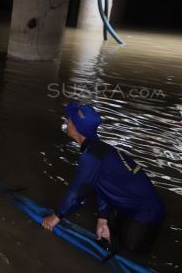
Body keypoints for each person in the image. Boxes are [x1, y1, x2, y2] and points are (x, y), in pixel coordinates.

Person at [42, 102, 165, 253]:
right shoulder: (98, 149)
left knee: (130, 247)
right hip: (131, 203)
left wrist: (56, 216)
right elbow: (100, 184)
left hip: (148, 210)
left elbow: (78, 191)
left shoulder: (91, 156)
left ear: (76, 128)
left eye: (69, 119)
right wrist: (103, 218)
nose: (67, 121)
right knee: (108, 229)